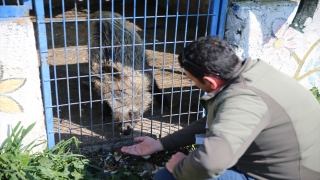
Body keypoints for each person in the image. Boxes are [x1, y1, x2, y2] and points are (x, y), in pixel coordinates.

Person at [121, 36, 320, 180]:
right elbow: (217, 120)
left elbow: (210, 163)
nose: (193, 85)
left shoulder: (244, 99)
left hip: (295, 175)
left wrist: (179, 169)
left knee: (166, 177)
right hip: (294, 162)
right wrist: (161, 144)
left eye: (191, 80)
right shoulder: (254, 71)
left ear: (209, 81)